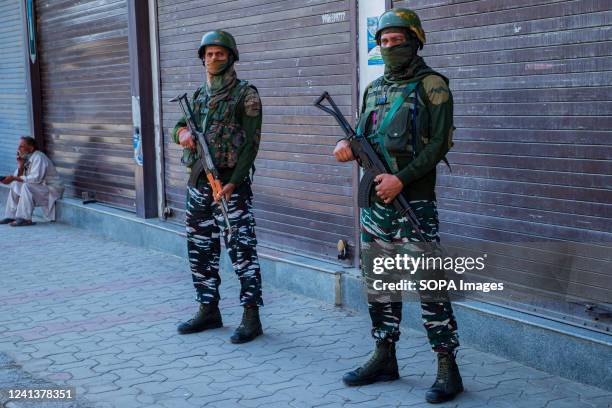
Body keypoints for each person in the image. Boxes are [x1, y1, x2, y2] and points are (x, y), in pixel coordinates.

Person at [333, 9, 463, 403]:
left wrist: (401, 179)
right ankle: (385, 356)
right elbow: (361, 136)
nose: (390, 47)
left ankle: (447, 366)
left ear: (415, 40)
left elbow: (439, 143)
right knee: (379, 281)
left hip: (413, 202)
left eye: (397, 40)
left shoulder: (433, 86)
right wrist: (345, 148)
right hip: (376, 202)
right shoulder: (373, 90)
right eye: (384, 41)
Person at [172, 30, 264, 344]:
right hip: (198, 184)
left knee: (241, 248)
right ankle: (208, 308)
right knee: (199, 248)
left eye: (220, 54)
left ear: (231, 57)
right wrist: (181, 134)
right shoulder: (198, 96)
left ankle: (251, 316)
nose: (214, 58)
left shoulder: (245, 95)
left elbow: (251, 145)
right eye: (209, 54)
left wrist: (234, 182)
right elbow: (178, 127)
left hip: (230, 185)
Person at [1, 137, 64, 227]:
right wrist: (20, 166)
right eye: (19, 146)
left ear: (31, 148)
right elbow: (18, 178)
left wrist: (13, 178)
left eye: (21, 146)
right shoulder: (26, 158)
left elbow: (36, 179)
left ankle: (25, 219)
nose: (18, 149)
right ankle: (11, 216)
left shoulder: (39, 157)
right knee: (15, 184)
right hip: (40, 189)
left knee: (26, 186)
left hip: (51, 190)